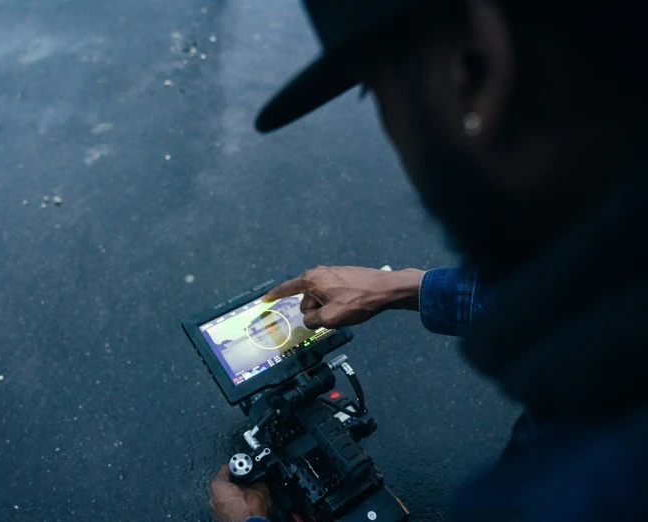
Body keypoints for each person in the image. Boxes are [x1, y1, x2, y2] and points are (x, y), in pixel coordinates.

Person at [209, 0, 648, 521]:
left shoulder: (574, 493)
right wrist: (405, 288)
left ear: (476, 65)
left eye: (376, 90)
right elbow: (583, 286)